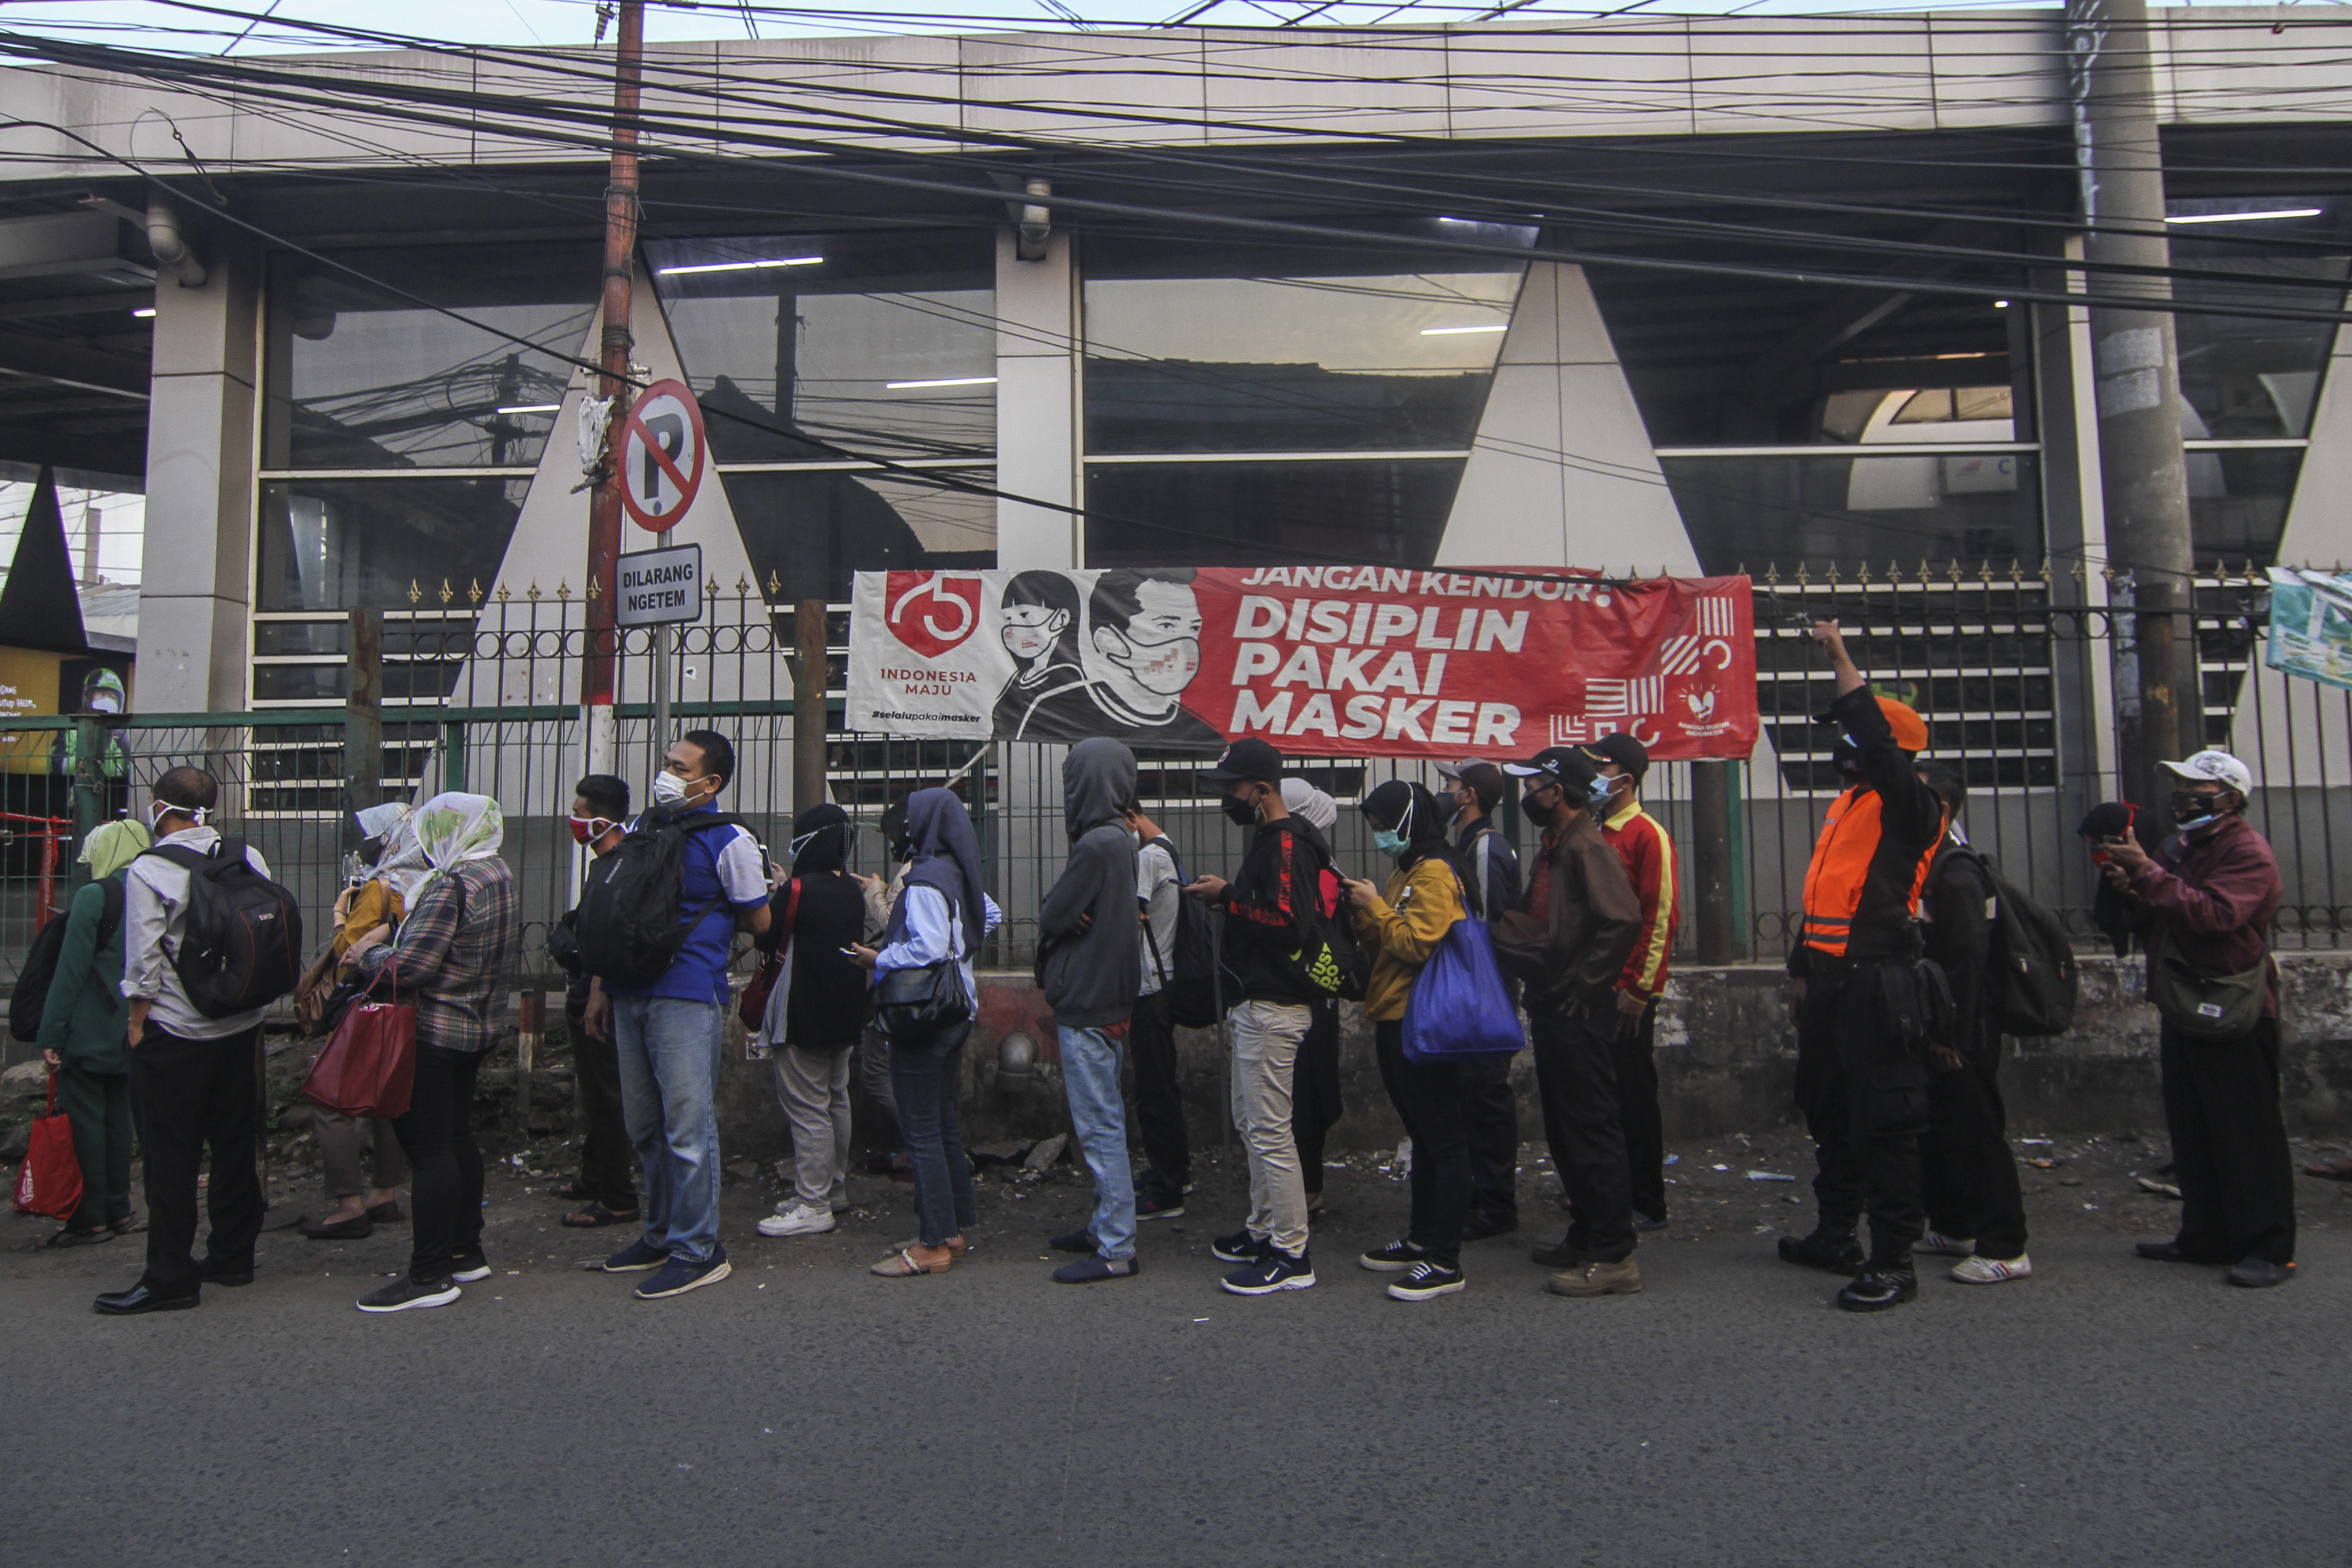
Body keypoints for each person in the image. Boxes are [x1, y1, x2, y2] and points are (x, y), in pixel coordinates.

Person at [1777, 621, 1946, 1313]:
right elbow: (1824, 898)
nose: (1840, 746)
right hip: (1830, 981)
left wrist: (1841, 658)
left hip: (1879, 983)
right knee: (1830, 1110)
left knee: (1884, 1122)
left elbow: (1874, 738)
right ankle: (1836, 1233)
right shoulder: (1848, 805)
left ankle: (1893, 1259)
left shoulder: (1910, 804)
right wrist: (1800, 969)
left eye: (1851, 736)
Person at [587, 731, 771, 1300]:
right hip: (627, 989)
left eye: (678, 766)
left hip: (686, 991)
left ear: (709, 782)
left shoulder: (730, 839)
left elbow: (759, 921)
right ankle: (661, 1233)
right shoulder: (647, 827)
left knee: (686, 1127)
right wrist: (600, 986)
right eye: (666, 762)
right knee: (645, 1124)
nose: (665, 773)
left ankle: (698, 1248)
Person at [2103, 749, 2296, 1288]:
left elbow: (2217, 915)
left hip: (2233, 1007)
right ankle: (2206, 1234)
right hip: (2183, 1001)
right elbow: (2164, 912)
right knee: (2194, 1127)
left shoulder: (2247, 853)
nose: (2182, 796)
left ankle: (2270, 1246)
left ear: (2230, 799)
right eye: (2180, 786)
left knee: (2247, 1133)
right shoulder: (2178, 847)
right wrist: (2135, 884)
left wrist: (2151, 875)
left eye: (2196, 788)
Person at [95, 767, 275, 1316]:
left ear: (158, 807)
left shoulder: (150, 868)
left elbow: (143, 958)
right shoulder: (248, 856)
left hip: (176, 1030)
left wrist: (135, 1022)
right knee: (234, 1142)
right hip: (241, 1025)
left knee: (170, 1154)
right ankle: (233, 1257)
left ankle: (170, 1275)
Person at [343, 793, 518, 1312]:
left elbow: (411, 967)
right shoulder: (496, 873)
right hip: (476, 1025)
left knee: (430, 1151)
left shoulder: (450, 885)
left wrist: (365, 954)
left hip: (434, 1031)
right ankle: (466, 1250)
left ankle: (430, 1275)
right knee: (458, 1137)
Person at [1185, 737, 1332, 1296]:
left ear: (1262, 789)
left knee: (1271, 1131)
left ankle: (1291, 1253)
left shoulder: (1288, 844)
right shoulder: (1272, 841)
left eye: (1233, 788)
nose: (1228, 798)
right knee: (1254, 1124)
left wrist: (1227, 898)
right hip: (1258, 1004)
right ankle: (1265, 1229)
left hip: (1276, 1007)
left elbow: (1288, 924)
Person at [1494, 746, 1642, 1299]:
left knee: (1591, 1127)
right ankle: (1586, 1231)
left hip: (1579, 1008)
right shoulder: (1557, 846)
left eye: (1534, 786)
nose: (1528, 796)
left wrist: (1587, 983)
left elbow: (1623, 917)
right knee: (1565, 1126)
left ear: (1558, 791)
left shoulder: (1586, 847)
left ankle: (1614, 1254)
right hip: (1556, 1003)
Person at [851, 787, 1001, 1277]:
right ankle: (951, 1225)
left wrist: (879, 957)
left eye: (905, 824)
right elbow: (988, 916)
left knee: (920, 1132)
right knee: (941, 1120)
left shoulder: (922, 880)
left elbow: (928, 947)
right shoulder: (958, 871)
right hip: (957, 1010)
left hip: (922, 1014)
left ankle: (934, 1243)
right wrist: (965, 948)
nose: (900, 833)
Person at [1345, 780, 1476, 1302]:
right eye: (1373, 826)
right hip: (1396, 1014)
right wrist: (1363, 909)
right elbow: (1387, 938)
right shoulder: (1409, 870)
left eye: (1383, 825)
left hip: (1425, 1019)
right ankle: (1423, 1237)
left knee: (1444, 1138)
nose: (1378, 834)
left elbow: (1419, 943)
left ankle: (1445, 1259)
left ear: (1408, 821)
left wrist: (1377, 906)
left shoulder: (1437, 872)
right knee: (1421, 1135)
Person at [1912, 762, 2032, 1285]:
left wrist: (1950, 1035)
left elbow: (1967, 965)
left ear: (1939, 808)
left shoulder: (1956, 873)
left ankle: (2005, 1243)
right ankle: (1954, 1224)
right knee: (1941, 1129)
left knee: (1975, 1129)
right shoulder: (1925, 862)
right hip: (1939, 1024)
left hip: (1964, 1028)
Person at [1041, 738, 1146, 1283]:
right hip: (1108, 996)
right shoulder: (1120, 838)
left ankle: (1116, 1246)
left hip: (1088, 1000)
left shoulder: (1097, 845)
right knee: (1104, 1119)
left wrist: (1061, 913)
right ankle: (1105, 1224)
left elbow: (1053, 911)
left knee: (1099, 1125)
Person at [295, 805, 425, 1242]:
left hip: (362, 1002)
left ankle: (349, 1204)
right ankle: (383, 1193)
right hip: (402, 1000)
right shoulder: (426, 880)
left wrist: (337, 915)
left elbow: (348, 950)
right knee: (387, 1096)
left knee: (333, 1098)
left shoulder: (379, 886)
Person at [753, 803, 871, 1240]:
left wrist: (776, 891)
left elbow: (765, 933)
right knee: (835, 1098)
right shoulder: (848, 889)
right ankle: (833, 1189)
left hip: (802, 1011)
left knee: (807, 1109)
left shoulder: (800, 888)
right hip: (843, 1010)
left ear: (810, 840)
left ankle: (813, 1203)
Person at [33, 817, 148, 1247]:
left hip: (88, 1029)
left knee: (84, 1119)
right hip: (137, 1025)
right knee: (120, 1117)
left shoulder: (94, 896)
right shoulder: (156, 888)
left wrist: (52, 1032)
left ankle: (90, 1215)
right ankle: (120, 1208)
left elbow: (70, 971)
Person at [1584, 734, 1681, 1235]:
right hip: (1596, 987)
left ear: (1626, 776)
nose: (1594, 775)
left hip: (1628, 994)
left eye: (1602, 766)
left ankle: (1647, 1198)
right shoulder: (1597, 831)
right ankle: (1610, 1190)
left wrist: (1640, 990)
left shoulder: (1647, 834)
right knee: (1602, 1097)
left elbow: (1658, 916)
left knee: (1634, 1095)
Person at [1438, 758, 1522, 1241]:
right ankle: (1480, 1195)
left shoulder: (1486, 847)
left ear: (1469, 795)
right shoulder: (1468, 843)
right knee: (1471, 1098)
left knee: (1487, 1098)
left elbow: (1482, 929)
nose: (1446, 792)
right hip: (1474, 991)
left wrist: (1478, 991)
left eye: (1451, 785)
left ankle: (1496, 1204)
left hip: (1484, 992)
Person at [554, 775, 639, 1229]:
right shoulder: (603, 865)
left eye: (581, 813)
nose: (574, 820)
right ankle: (594, 1175)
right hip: (589, 987)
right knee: (595, 1092)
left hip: (599, 997)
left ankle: (618, 1196)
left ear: (603, 818)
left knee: (606, 1095)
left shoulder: (618, 867)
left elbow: (612, 935)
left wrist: (596, 994)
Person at [1023, 569, 1224, 749]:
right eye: (1166, 627)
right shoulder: (1056, 710)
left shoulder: (1199, 729)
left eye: (1194, 628)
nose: (1185, 644)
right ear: (1109, 641)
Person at [1280, 778, 1347, 1223]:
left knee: (1302, 1095)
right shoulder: (1324, 865)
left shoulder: (1315, 871)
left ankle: (1307, 1191)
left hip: (1306, 997)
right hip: (1318, 998)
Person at [1128, 800, 1190, 1222]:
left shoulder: (1148, 857)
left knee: (1154, 1092)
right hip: (1164, 982)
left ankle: (1166, 1188)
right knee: (1162, 1085)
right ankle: (1175, 1172)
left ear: (1131, 817)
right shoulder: (1167, 848)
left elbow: (1129, 913)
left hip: (1150, 986)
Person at [993, 570, 1091, 740]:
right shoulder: (1019, 678)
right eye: (1008, 619)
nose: (1013, 626)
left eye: (1024, 615)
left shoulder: (1070, 679)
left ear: (1060, 619)